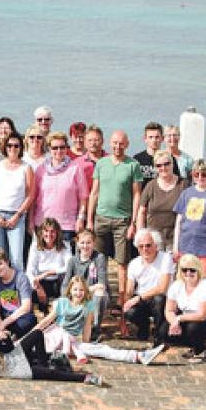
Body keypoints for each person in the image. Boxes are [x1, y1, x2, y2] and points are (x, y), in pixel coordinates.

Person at [36, 277, 164, 366]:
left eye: (81, 290)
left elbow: (86, 330)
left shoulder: (87, 307)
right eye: (75, 290)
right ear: (70, 290)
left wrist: (87, 345)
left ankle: (139, 356)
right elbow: (46, 321)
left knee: (102, 349)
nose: (78, 293)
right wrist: (31, 334)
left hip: (72, 344)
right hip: (55, 338)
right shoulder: (62, 303)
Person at [0, 320, 101, 386]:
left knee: (37, 333)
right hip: (15, 369)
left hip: (13, 356)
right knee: (53, 375)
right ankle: (85, 377)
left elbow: (8, 348)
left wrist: (5, 338)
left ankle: (45, 362)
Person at [87, 130, 142, 306]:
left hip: (122, 221)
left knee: (122, 262)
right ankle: (101, 297)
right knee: (98, 261)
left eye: (121, 143)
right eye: (115, 143)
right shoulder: (101, 164)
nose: (118, 147)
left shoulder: (133, 165)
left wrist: (133, 223)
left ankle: (122, 300)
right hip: (101, 218)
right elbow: (94, 193)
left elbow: (136, 195)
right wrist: (89, 219)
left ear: (127, 145)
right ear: (109, 143)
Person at [159, 254, 206, 363]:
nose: (188, 273)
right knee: (164, 331)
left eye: (192, 270)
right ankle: (194, 344)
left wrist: (179, 319)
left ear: (198, 270)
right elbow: (169, 310)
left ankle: (201, 350)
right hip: (189, 319)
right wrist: (174, 322)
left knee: (193, 328)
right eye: (184, 270)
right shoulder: (176, 285)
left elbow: (201, 315)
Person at [0, 132, 34, 272]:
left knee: (16, 258)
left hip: (17, 216)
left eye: (16, 146)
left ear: (21, 147)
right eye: (9, 145)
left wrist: (17, 216)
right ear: (5, 147)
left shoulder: (26, 168)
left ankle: (19, 290)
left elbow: (30, 195)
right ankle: (3, 290)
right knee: (0, 257)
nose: (13, 148)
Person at [173, 159, 206, 280]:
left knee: (203, 285)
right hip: (185, 247)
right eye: (196, 174)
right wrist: (176, 247)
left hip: (205, 249)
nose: (200, 177)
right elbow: (178, 223)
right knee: (184, 283)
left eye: (204, 174)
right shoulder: (186, 193)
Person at [33, 131, 89, 245]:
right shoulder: (40, 170)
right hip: (43, 224)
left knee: (66, 262)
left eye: (62, 147)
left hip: (67, 226)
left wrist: (80, 219)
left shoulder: (75, 169)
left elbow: (84, 198)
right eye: (55, 148)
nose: (58, 151)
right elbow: (33, 198)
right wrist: (30, 222)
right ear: (49, 149)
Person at [121, 229, 173, 341]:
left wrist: (137, 298)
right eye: (141, 246)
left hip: (162, 300)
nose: (145, 249)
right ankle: (144, 327)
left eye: (148, 245)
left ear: (156, 245)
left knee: (159, 300)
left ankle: (159, 334)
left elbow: (162, 288)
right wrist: (125, 309)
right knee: (130, 312)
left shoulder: (165, 258)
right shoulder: (134, 263)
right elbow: (129, 291)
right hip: (142, 301)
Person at [61, 229, 109, 332]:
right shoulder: (73, 260)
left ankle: (96, 328)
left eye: (88, 243)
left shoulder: (99, 258)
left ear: (93, 243)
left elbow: (101, 284)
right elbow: (65, 284)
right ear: (77, 244)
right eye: (82, 243)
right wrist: (69, 294)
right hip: (76, 294)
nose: (85, 246)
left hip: (92, 294)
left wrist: (85, 290)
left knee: (100, 294)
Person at [137, 149, 186, 248]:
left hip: (176, 239)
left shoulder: (183, 185)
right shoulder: (150, 186)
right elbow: (142, 212)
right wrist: (141, 236)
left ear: (172, 164)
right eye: (159, 165)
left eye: (166, 164)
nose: (163, 168)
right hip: (153, 240)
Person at [26, 218, 71, 313]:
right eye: (46, 231)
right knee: (27, 283)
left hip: (58, 280)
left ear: (57, 232)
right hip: (40, 281)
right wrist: (38, 287)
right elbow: (30, 270)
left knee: (67, 278)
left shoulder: (65, 245)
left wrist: (48, 273)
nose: (49, 235)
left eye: (52, 231)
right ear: (41, 232)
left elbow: (69, 266)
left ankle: (63, 308)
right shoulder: (35, 246)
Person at [134, 121, 180, 188]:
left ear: (162, 138)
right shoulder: (137, 160)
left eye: (157, 137)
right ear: (145, 139)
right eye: (151, 137)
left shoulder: (170, 159)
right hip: (144, 197)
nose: (154, 140)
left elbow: (177, 182)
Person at [76, 124, 106, 193]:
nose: (93, 143)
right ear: (85, 142)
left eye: (96, 140)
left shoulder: (110, 160)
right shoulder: (77, 164)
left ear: (103, 141)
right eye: (90, 140)